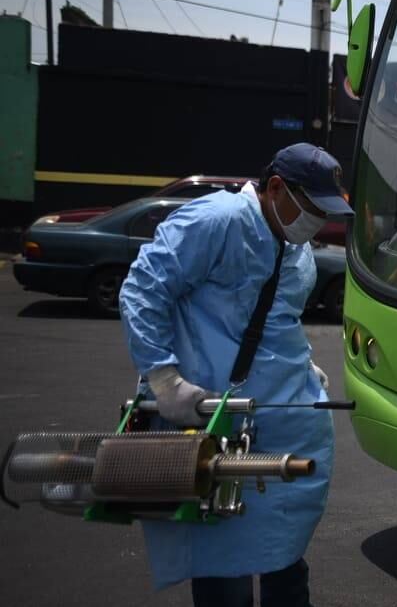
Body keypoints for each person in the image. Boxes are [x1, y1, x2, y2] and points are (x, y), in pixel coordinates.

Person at [118, 143, 354, 607]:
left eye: (324, 212)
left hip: (281, 421)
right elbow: (144, 289)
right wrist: (164, 380)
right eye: (310, 208)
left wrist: (300, 362)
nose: (316, 221)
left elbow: (278, 317)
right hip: (212, 421)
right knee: (222, 555)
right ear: (275, 188)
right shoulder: (219, 219)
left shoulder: (297, 250)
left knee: (283, 546)